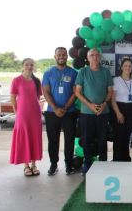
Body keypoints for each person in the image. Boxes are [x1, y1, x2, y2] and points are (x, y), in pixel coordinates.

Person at [75, 48, 113, 175]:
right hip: (86, 113)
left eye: (97, 55)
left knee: (103, 139)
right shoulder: (83, 72)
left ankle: (103, 163)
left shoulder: (106, 72)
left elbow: (110, 92)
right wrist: (90, 105)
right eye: (92, 55)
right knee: (87, 140)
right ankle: (87, 163)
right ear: (88, 57)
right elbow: (78, 92)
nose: (95, 57)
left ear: (100, 57)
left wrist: (103, 104)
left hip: (103, 112)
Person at [42, 47, 78, 175]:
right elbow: (45, 92)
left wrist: (65, 107)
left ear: (67, 56)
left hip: (70, 112)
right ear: (55, 56)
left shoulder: (73, 73)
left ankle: (69, 165)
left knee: (69, 140)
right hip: (52, 112)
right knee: (53, 140)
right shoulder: (48, 73)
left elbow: (75, 93)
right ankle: (53, 164)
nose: (61, 56)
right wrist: (56, 108)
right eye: (59, 55)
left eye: (63, 54)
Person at [10, 58, 42, 176]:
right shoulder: (16, 80)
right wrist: (16, 113)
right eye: (27, 64)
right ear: (22, 66)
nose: (29, 67)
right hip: (22, 114)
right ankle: (26, 166)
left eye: (31, 65)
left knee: (34, 137)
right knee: (24, 138)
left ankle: (34, 165)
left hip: (35, 114)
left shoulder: (37, 81)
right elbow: (13, 98)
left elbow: (37, 98)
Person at [111, 58, 132, 161]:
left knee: (127, 136)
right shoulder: (116, 80)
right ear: (121, 67)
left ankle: (126, 158)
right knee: (119, 136)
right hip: (119, 108)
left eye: (129, 66)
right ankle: (117, 159)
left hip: (131, 109)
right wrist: (118, 113)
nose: (127, 68)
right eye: (125, 65)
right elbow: (112, 99)